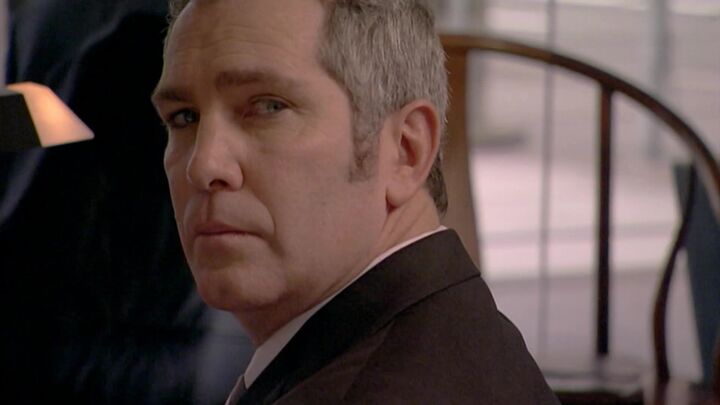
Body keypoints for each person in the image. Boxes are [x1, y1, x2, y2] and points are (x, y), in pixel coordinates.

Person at [153, 0, 559, 403]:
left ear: (405, 151)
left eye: (267, 107)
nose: (203, 165)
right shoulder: (451, 339)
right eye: (184, 117)